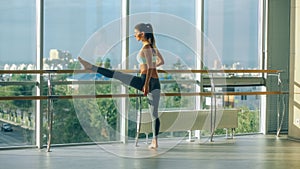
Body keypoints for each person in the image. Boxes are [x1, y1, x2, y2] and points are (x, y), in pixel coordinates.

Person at [78, 23, 164, 149]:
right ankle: (155, 142)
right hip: (155, 82)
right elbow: (161, 62)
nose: (134, 35)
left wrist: (145, 85)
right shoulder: (153, 47)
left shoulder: (146, 48)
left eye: (136, 32)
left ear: (142, 34)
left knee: (117, 75)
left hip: (146, 80)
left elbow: (150, 67)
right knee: (154, 114)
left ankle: (91, 67)